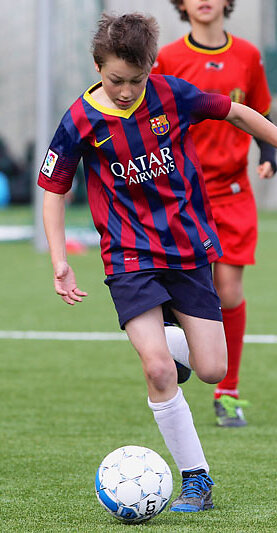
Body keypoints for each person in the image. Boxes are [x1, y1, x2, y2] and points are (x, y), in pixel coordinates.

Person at [38, 12, 277, 513]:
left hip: (187, 249)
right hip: (129, 255)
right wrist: (60, 259)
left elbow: (238, 112)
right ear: (97, 67)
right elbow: (54, 191)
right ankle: (197, 479)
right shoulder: (79, 120)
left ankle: (170, 342)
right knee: (159, 371)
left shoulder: (173, 95)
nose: (127, 91)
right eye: (116, 80)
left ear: (151, 68)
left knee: (212, 369)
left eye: (137, 79)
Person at [153, 0, 276, 428]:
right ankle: (174, 339)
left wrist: (269, 151)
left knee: (229, 291)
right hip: (182, 194)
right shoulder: (168, 58)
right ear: (180, 5)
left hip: (232, 192)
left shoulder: (248, 55)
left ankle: (228, 390)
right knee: (178, 284)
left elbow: (258, 111)